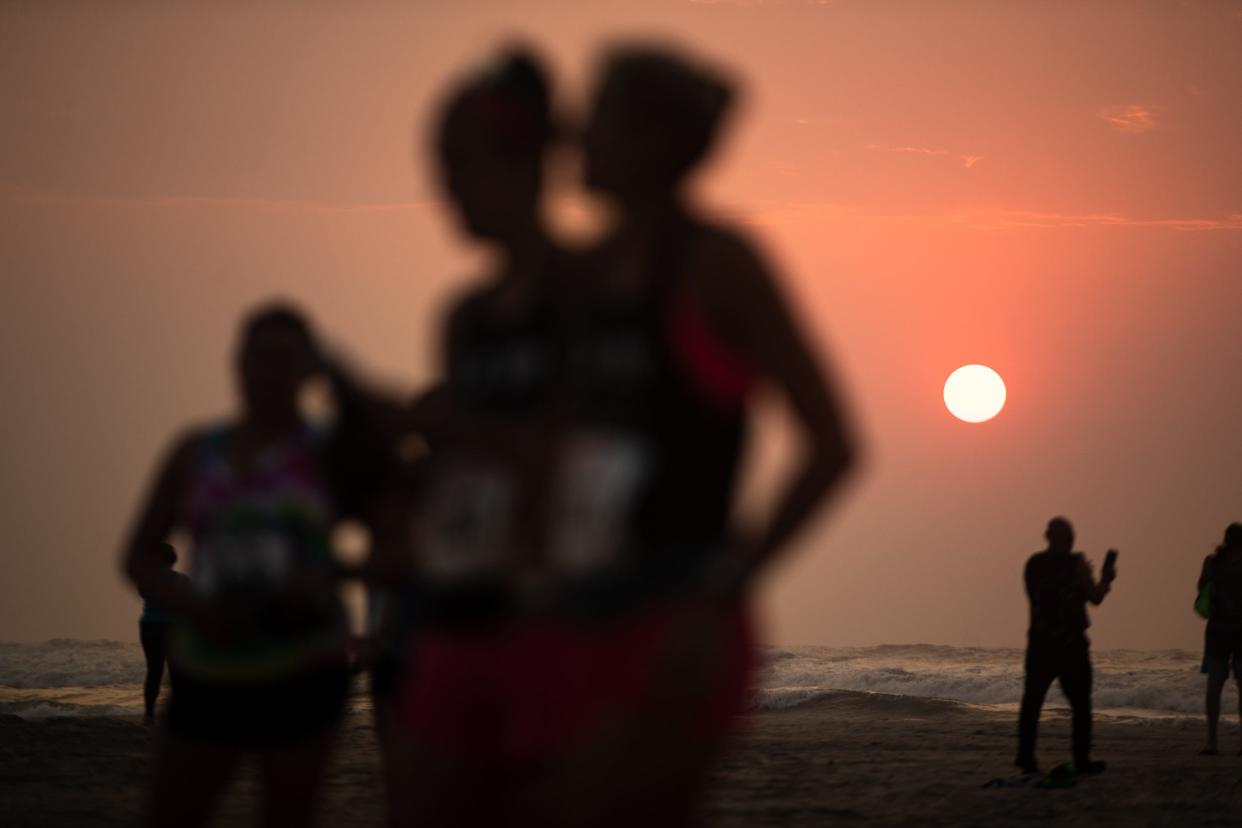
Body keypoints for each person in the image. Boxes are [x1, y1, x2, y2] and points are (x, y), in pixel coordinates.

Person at [547, 43, 858, 826]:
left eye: (599, 118)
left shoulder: (718, 263)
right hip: (575, 610)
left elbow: (833, 445)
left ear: (654, 141)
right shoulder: (577, 273)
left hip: (679, 616)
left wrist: (724, 587)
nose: (577, 137)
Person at [120, 304, 358, 828]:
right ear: (236, 362)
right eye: (255, 356)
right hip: (211, 662)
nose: (265, 371)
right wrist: (190, 605)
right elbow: (137, 554)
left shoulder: (331, 453)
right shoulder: (195, 452)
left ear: (307, 370)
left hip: (305, 663)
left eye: (282, 359)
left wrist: (324, 580)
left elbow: (397, 544)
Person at [1015, 517, 1116, 775]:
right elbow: (1095, 597)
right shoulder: (1076, 564)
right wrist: (1105, 578)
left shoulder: (1033, 565)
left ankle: (1026, 758)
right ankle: (1081, 759)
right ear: (1069, 538)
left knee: (1032, 703)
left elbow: (1038, 600)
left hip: (1040, 642)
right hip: (1070, 645)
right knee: (1081, 704)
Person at [1197, 522, 1242, 756]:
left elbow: (1201, 587)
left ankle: (1212, 741)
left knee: (1214, 685)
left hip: (1217, 630)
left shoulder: (1213, 562)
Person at [137, 541, 191, 724]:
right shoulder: (182, 580)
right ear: (173, 560)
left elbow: (144, 593)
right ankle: (182, 713)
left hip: (150, 625)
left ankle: (149, 713)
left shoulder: (148, 578)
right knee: (176, 671)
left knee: (154, 670)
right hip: (174, 626)